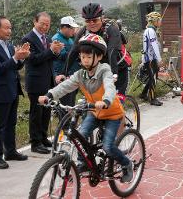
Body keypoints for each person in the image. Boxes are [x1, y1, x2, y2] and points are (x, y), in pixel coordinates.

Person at [38, 34, 134, 183]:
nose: (85, 60)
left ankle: (127, 164)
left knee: (108, 147)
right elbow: (65, 86)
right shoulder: (80, 74)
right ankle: (84, 164)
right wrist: (49, 95)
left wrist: (106, 100)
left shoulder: (104, 70)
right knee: (80, 135)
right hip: (94, 112)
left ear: (100, 56)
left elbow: (109, 85)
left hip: (111, 113)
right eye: (82, 57)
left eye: (89, 57)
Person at [0, 16, 30, 170]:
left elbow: (13, 66)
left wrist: (21, 58)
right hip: (0, 91)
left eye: (10, 27)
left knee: (11, 123)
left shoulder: (8, 45)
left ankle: (10, 151)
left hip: (12, 89)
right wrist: (15, 57)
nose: (9, 31)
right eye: (6, 28)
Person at [22, 12, 64, 154]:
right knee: (36, 113)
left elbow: (49, 58)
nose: (45, 27)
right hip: (35, 82)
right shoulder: (28, 39)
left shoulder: (47, 38)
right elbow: (32, 59)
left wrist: (57, 51)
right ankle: (35, 142)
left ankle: (43, 137)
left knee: (46, 110)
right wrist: (51, 51)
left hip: (48, 80)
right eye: (42, 24)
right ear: (35, 21)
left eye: (47, 24)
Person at [63, 3, 127, 97]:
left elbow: (111, 51)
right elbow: (73, 52)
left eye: (95, 20)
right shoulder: (83, 32)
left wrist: (114, 74)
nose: (91, 23)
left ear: (102, 18)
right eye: (88, 21)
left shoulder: (111, 29)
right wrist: (63, 73)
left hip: (117, 68)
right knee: (92, 102)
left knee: (114, 103)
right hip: (96, 71)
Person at [52, 16, 79, 107]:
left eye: (74, 28)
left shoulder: (70, 39)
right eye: (71, 28)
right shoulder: (57, 39)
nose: (73, 30)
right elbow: (62, 56)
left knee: (71, 103)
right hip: (63, 76)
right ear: (63, 27)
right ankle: (64, 121)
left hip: (72, 75)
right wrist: (76, 53)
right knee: (66, 105)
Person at [140, 11, 164, 106]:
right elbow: (154, 46)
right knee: (153, 78)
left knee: (152, 76)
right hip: (150, 58)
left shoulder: (150, 30)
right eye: (159, 20)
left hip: (150, 58)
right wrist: (159, 59)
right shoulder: (150, 31)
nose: (160, 22)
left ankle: (143, 94)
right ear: (155, 21)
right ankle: (152, 98)